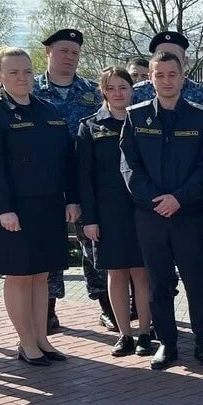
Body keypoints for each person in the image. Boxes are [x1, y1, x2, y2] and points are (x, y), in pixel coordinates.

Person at [0, 46, 78, 366]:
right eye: (14, 72)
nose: (22, 78)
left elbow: (67, 160)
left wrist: (72, 198)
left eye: (27, 71)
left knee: (41, 276)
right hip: (13, 211)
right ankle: (25, 342)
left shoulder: (48, 111)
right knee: (19, 276)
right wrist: (4, 208)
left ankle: (41, 339)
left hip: (48, 207)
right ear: (0, 76)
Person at [119, 51, 203, 370]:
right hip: (149, 216)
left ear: (183, 76)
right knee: (158, 282)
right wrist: (154, 200)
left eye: (171, 74)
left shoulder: (202, 117)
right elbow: (128, 166)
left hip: (187, 214)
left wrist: (179, 198)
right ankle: (167, 343)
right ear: (150, 78)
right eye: (158, 75)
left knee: (196, 281)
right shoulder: (135, 116)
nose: (165, 81)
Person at [33, 28, 109, 333]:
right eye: (63, 50)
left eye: (75, 52)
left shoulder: (93, 92)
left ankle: (107, 307)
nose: (70, 57)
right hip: (44, 181)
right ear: (48, 52)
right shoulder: (30, 91)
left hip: (85, 180)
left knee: (94, 244)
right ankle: (47, 311)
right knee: (48, 246)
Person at [77, 67, 153, 358]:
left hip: (142, 209)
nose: (118, 93)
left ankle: (145, 332)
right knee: (117, 274)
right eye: (111, 88)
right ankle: (125, 334)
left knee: (141, 274)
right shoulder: (91, 126)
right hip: (108, 213)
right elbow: (84, 176)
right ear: (103, 92)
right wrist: (90, 219)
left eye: (123, 87)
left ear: (132, 89)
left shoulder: (145, 121)